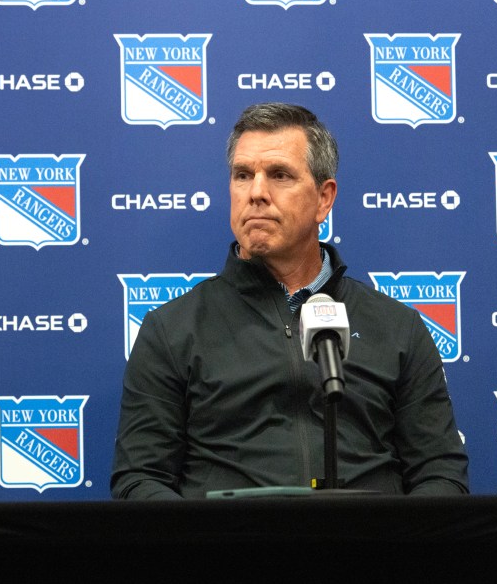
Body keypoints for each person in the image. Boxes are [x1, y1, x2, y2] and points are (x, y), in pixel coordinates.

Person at [110, 102, 469, 499]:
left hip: (367, 551)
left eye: (280, 175)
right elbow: (139, 480)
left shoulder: (398, 327)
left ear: (324, 198)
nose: (257, 193)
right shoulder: (172, 329)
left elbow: (442, 475)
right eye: (243, 175)